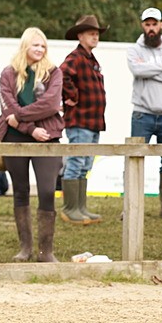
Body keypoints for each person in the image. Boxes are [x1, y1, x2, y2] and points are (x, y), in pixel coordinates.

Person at [0, 27, 64, 263]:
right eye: (35, 45)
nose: (40, 49)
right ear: (25, 45)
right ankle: (25, 248)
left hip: (48, 136)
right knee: (20, 190)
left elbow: (51, 104)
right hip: (15, 137)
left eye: (43, 45)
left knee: (47, 191)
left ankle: (46, 252)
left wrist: (20, 117)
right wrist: (31, 128)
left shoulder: (53, 72)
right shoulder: (8, 73)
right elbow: (7, 107)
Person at [126, 7, 162, 219]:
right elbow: (137, 71)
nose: (151, 28)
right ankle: (129, 207)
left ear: (161, 25)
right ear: (142, 26)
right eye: (147, 24)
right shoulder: (133, 50)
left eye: (154, 24)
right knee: (134, 159)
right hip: (142, 114)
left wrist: (149, 69)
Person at [58, 14, 107, 225]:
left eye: (97, 34)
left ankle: (80, 207)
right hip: (80, 121)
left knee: (85, 164)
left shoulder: (91, 59)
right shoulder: (76, 57)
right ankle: (70, 209)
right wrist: (71, 95)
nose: (95, 37)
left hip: (93, 122)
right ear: (80, 36)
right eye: (91, 33)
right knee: (76, 162)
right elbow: (62, 74)